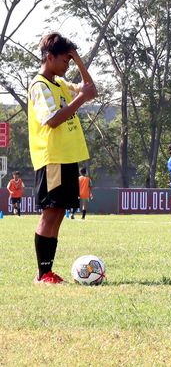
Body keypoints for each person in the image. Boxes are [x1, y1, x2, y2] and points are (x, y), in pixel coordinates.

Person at [27, 32, 97, 284]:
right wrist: (80, 99)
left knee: (58, 213)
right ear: (50, 57)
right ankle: (42, 273)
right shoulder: (40, 86)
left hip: (67, 156)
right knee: (50, 212)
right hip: (52, 157)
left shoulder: (59, 83)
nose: (67, 65)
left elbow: (91, 90)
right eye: (65, 60)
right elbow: (53, 120)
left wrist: (78, 59)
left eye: (70, 60)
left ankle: (47, 271)